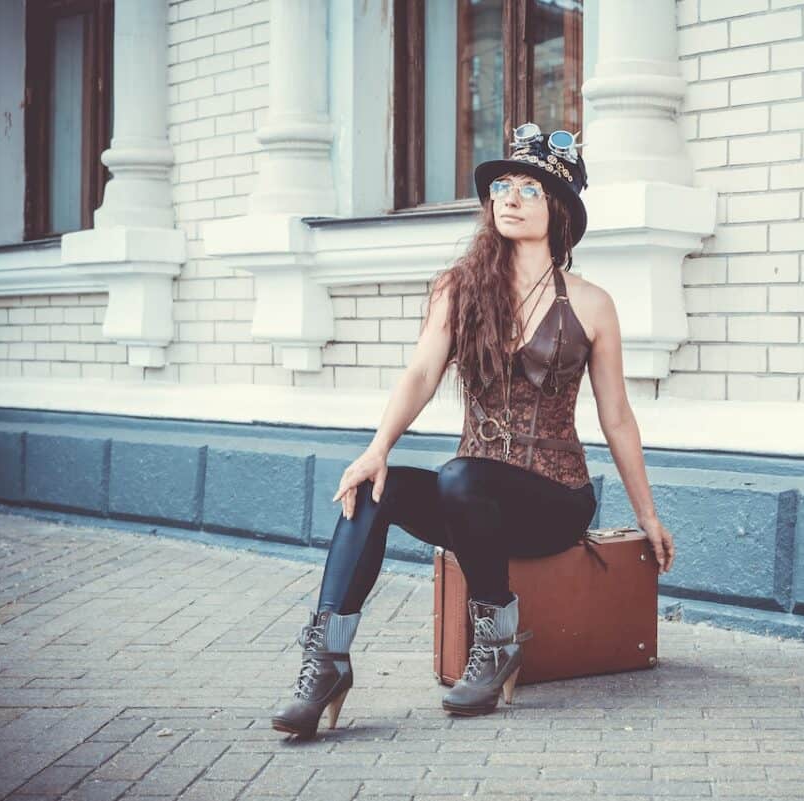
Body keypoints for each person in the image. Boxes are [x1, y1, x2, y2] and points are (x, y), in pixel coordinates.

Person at [271, 122, 677, 739]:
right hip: (472, 499)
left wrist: (648, 515)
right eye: (503, 186)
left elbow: (616, 416)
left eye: (530, 189)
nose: (510, 198)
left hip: (554, 501)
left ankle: (494, 644)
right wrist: (375, 451)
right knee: (372, 492)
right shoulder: (459, 289)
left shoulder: (592, 304)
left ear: (560, 210)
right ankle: (326, 662)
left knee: (461, 477)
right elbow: (420, 375)